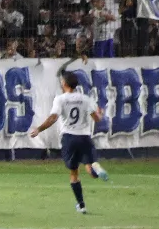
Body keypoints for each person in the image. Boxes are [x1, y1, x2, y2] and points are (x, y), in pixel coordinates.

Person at [30, 72, 109, 214]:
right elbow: (97, 118)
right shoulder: (86, 99)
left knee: (74, 173)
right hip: (85, 137)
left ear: (64, 84)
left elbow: (53, 118)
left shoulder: (60, 99)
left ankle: (82, 205)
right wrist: (101, 113)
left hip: (69, 138)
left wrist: (39, 129)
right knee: (90, 169)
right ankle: (96, 168)